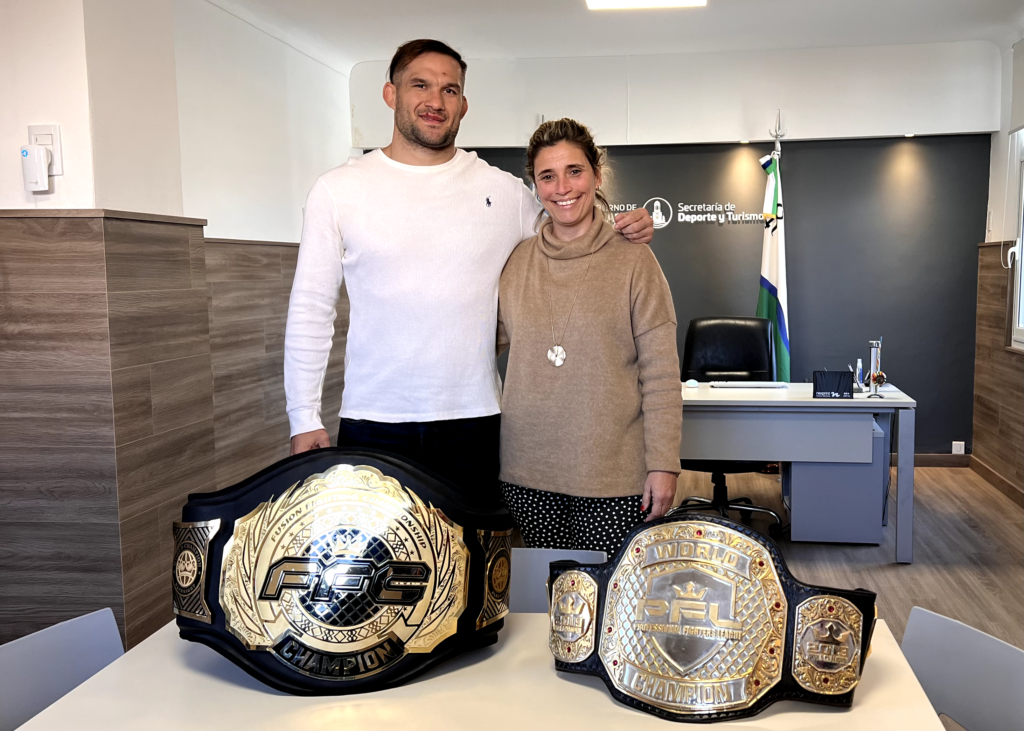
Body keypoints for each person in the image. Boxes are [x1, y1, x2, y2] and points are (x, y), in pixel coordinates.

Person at [284, 40, 653, 501]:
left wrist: (623, 226)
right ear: (390, 94)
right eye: (420, 85)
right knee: (383, 551)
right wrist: (304, 417)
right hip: (375, 422)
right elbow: (311, 309)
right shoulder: (338, 190)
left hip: (477, 422)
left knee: (479, 551)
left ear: (463, 104)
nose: (435, 101)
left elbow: (573, 232)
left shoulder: (504, 192)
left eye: (450, 90)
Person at [497, 118, 682, 556]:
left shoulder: (635, 261)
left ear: (597, 176)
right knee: (542, 595)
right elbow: (482, 344)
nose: (562, 187)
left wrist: (664, 464)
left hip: (612, 479)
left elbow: (660, 374)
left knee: (604, 597)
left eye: (575, 171)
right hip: (527, 475)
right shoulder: (516, 262)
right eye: (548, 176)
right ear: (535, 186)